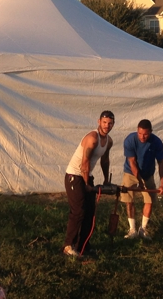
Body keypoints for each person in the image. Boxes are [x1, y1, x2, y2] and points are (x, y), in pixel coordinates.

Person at [63, 110, 115, 257]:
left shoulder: (108, 141)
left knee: (90, 212)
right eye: (104, 122)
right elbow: (84, 163)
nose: (107, 125)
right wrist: (86, 184)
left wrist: (106, 180)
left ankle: (83, 246)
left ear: (113, 124)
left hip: (87, 176)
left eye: (110, 123)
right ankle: (68, 246)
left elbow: (105, 160)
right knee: (78, 211)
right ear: (99, 122)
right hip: (74, 175)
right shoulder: (92, 138)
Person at [121, 119, 163, 241]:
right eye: (140, 133)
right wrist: (139, 182)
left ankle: (143, 229)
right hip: (130, 173)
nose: (142, 137)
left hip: (148, 174)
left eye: (145, 134)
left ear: (151, 132)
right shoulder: (130, 140)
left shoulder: (157, 142)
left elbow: (161, 163)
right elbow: (132, 162)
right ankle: (132, 230)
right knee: (129, 200)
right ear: (137, 130)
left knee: (150, 201)